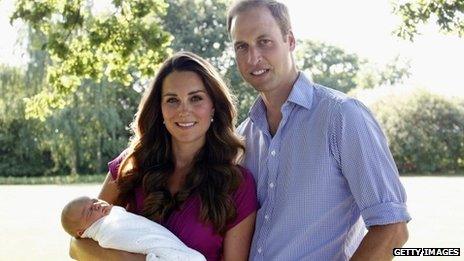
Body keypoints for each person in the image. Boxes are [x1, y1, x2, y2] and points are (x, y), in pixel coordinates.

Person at [226, 0, 411, 260]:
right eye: (241, 47)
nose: (252, 58)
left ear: (290, 41)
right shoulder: (243, 137)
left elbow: (392, 229)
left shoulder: (343, 117)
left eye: (264, 41)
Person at [69, 51, 258, 261]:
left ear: (214, 106)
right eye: (172, 100)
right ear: (159, 108)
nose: (184, 110)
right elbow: (77, 245)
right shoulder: (131, 164)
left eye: (196, 98)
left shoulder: (237, 184)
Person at [61, 196, 206, 261]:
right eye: (89, 211)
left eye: (94, 201)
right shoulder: (107, 231)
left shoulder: (114, 216)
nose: (97, 205)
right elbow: (75, 248)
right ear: (82, 231)